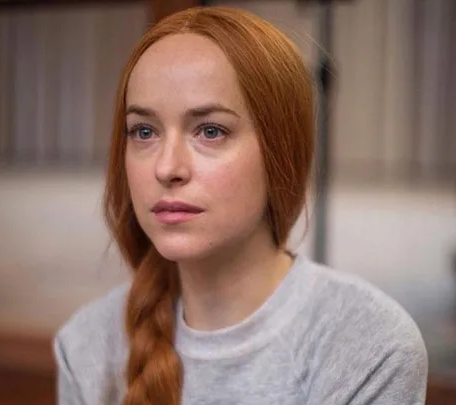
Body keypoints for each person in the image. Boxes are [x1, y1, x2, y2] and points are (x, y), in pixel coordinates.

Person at [53, 6, 428, 405]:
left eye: (210, 131)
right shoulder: (86, 347)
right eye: (144, 131)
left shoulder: (370, 349)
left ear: (280, 149)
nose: (167, 167)